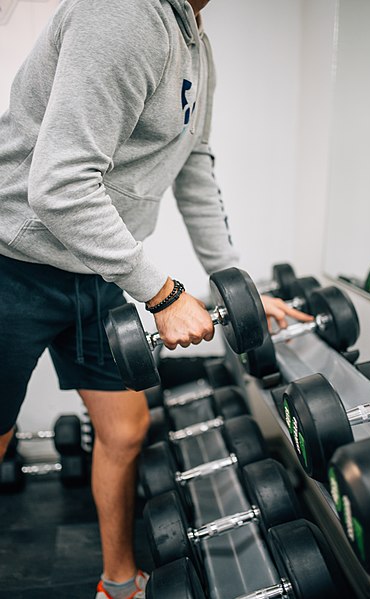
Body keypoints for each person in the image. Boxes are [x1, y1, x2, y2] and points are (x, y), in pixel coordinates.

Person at [0, 0, 312, 597]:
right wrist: (164, 295)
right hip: (15, 264)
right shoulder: (121, 14)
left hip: (95, 268)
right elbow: (59, 186)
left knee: (125, 429)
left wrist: (233, 283)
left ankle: (118, 582)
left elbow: (193, 163)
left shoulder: (195, 41)